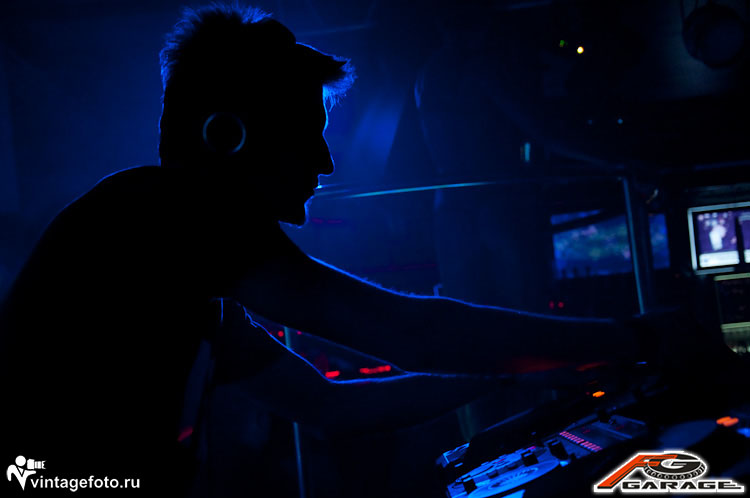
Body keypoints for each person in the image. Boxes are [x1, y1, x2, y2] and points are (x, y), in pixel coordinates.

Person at [0, 4, 683, 496]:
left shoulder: (176, 263)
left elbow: (331, 407)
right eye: (307, 131)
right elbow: (409, 333)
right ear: (227, 135)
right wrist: (640, 336)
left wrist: (508, 377)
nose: (325, 160)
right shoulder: (176, 210)